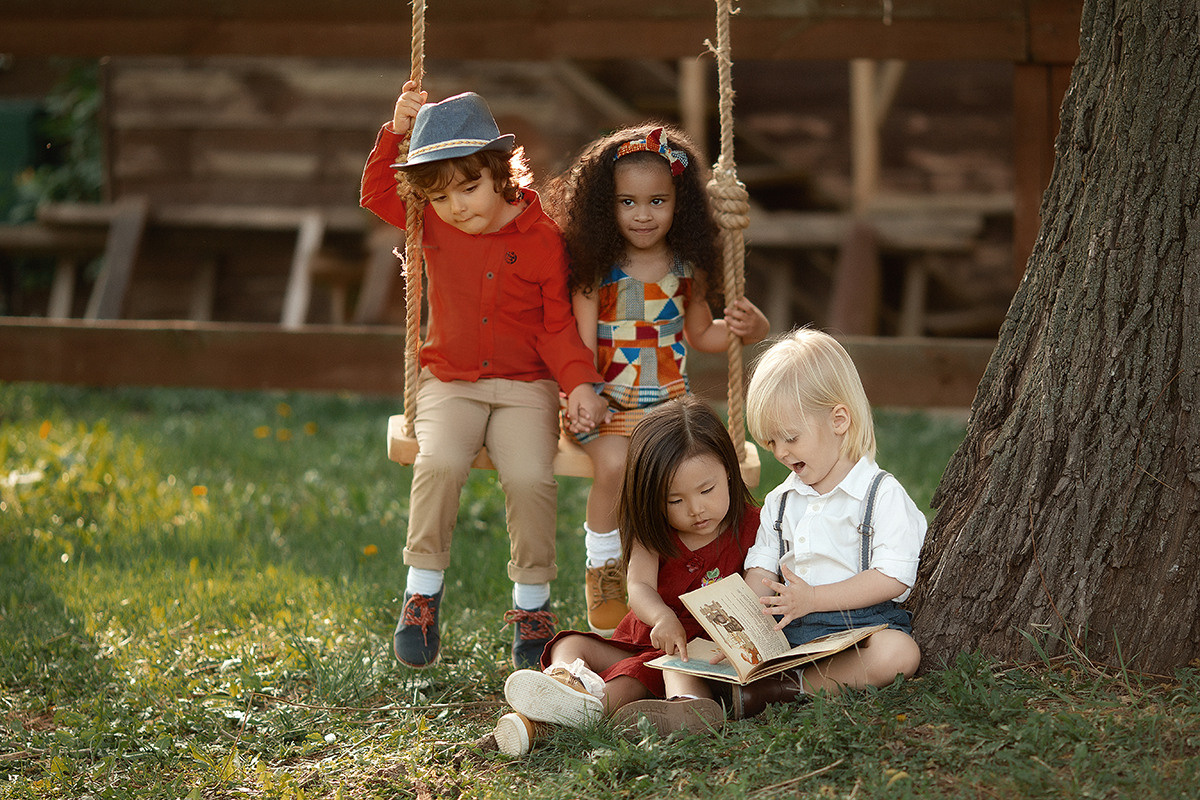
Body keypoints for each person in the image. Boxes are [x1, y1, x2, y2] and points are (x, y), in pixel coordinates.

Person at [361, 83, 610, 670]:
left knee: (529, 478)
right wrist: (394, 130)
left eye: (469, 189)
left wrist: (577, 383)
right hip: (450, 381)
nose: (458, 207)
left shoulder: (544, 238)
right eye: (442, 197)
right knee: (440, 462)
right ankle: (422, 594)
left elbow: (555, 328)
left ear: (502, 173)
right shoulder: (429, 223)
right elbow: (374, 190)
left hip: (526, 386)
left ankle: (533, 609)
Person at [548, 124, 770, 636]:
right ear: (608, 206)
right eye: (627, 202)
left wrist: (748, 328)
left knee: (690, 465)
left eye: (656, 201)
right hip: (603, 406)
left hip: (666, 410)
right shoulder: (594, 273)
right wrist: (583, 394)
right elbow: (579, 347)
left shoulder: (687, 271)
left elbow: (702, 335)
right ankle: (604, 565)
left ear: (680, 203)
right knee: (616, 467)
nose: (642, 214)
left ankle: (676, 570)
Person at [491, 396, 760, 756]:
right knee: (568, 644)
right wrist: (662, 615)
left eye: (706, 490)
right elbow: (639, 586)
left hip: (692, 655)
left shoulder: (753, 526)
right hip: (643, 638)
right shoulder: (655, 532)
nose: (695, 509)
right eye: (674, 501)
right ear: (652, 498)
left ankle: (547, 723)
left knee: (632, 681)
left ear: (729, 470)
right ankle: (563, 681)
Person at [733, 327, 926, 719]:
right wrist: (747, 619)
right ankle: (755, 683)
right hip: (791, 630)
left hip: (862, 629)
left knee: (900, 652)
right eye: (770, 443)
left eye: (789, 438)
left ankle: (786, 690)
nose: (781, 453)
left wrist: (815, 600)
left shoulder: (881, 494)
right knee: (733, 654)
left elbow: (895, 576)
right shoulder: (781, 500)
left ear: (839, 419)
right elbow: (761, 566)